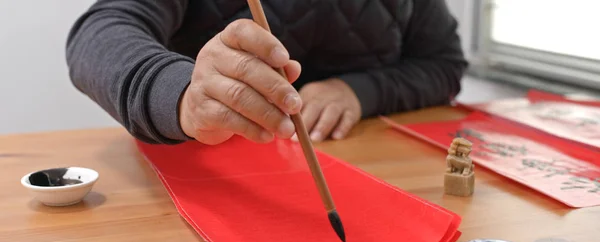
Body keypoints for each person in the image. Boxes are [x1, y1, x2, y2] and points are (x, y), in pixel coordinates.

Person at [66, 0, 467, 145]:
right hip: (207, 176)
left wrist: (359, 91)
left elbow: (444, 64)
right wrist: (186, 95)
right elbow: (97, 36)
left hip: (365, 161)